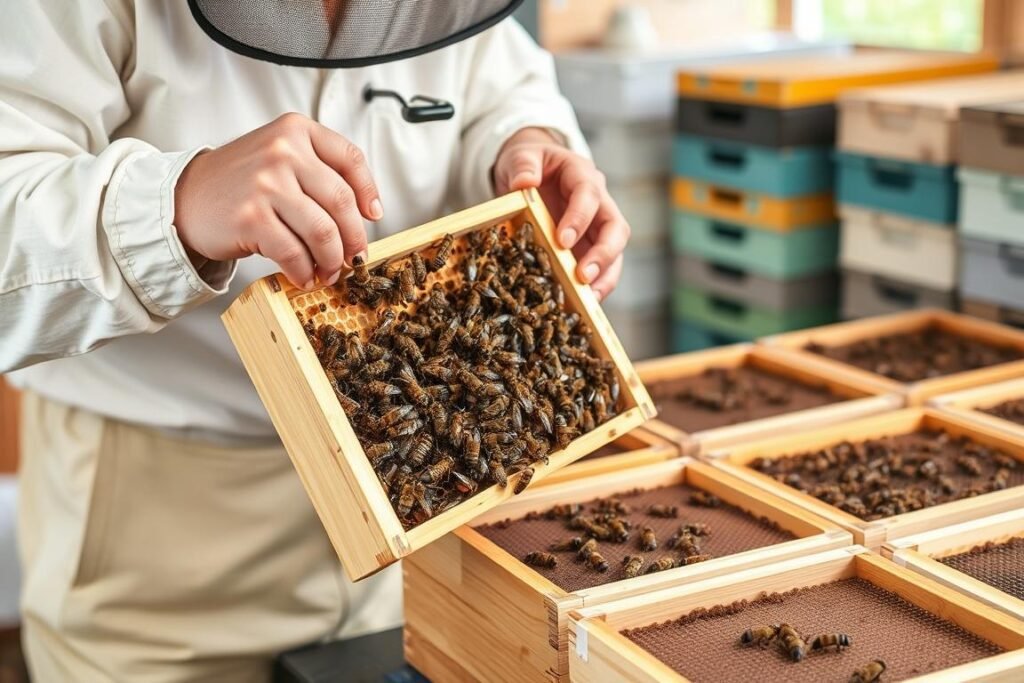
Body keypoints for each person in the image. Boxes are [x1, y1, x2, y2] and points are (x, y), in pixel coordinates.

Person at [0, 1, 631, 680]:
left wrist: (522, 144)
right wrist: (176, 203)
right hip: (160, 527)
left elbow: (499, 87)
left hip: (420, 492)